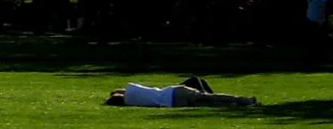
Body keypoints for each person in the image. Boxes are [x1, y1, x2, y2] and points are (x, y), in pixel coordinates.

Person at [105, 77, 257, 108]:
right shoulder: (131, 92)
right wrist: (113, 93)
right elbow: (120, 90)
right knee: (210, 97)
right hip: (174, 92)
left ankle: (238, 104)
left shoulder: (131, 102)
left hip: (174, 103)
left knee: (209, 102)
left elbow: (119, 95)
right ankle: (243, 100)